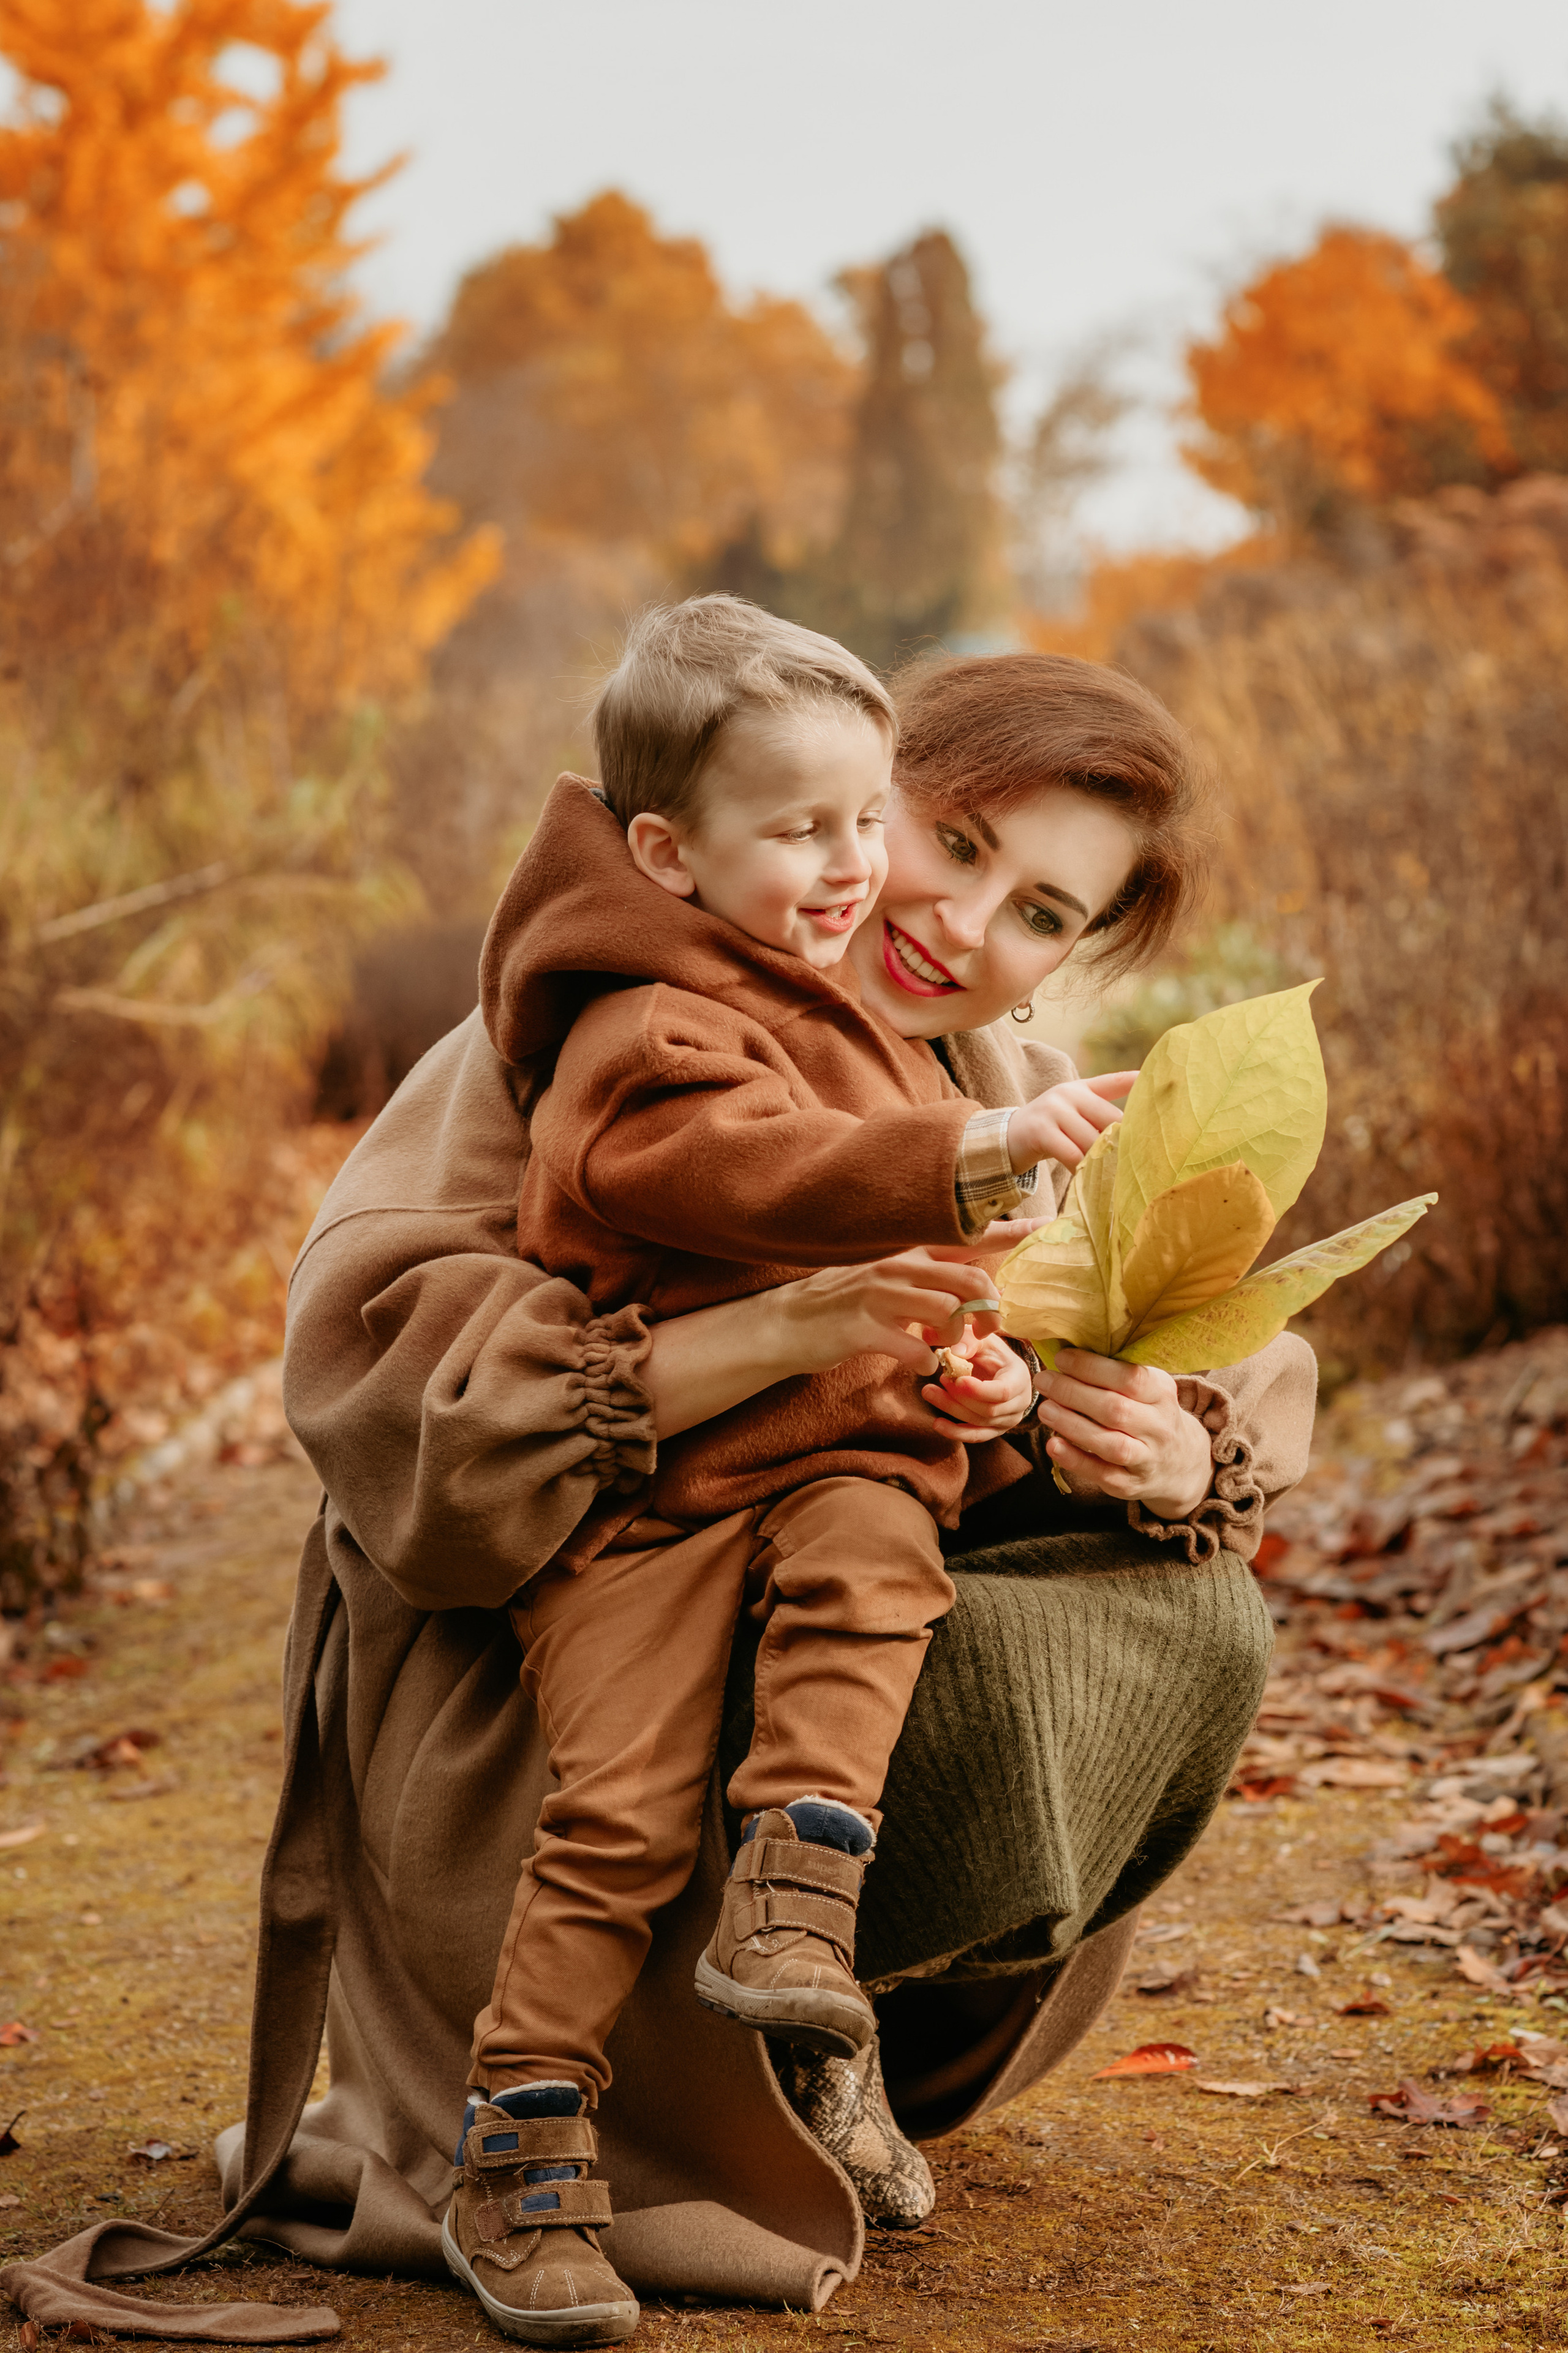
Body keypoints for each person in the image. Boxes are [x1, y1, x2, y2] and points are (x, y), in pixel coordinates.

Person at [0, 653, 1316, 2349]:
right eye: (953, 835)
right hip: (557, 1652)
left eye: (1042, 908)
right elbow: (379, 1376)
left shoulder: (997, 1082)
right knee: (925, 1659)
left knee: (1190, 1611)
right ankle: (591, 2090)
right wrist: (776, 1329)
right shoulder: (583, 1026)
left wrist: (1147, 1432)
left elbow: (1224, 1325)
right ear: (847, 787)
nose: (961, 920)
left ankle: (838, 2020)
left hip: (817, 1624)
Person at [449, 601, 1148, 2347]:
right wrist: (975, 1159)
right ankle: (521, 2133)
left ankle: (803, 1924)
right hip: (635, 1510)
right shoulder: (643, 1009)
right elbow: (745, 1174)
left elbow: (1015, 1319)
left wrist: (994, 1384)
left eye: (1042, 911)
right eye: (937, 838)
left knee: (885, 1556)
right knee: (613, 1808)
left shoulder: (914, 1035)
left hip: (826, 1460)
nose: (870, 879)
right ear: (677, 850)